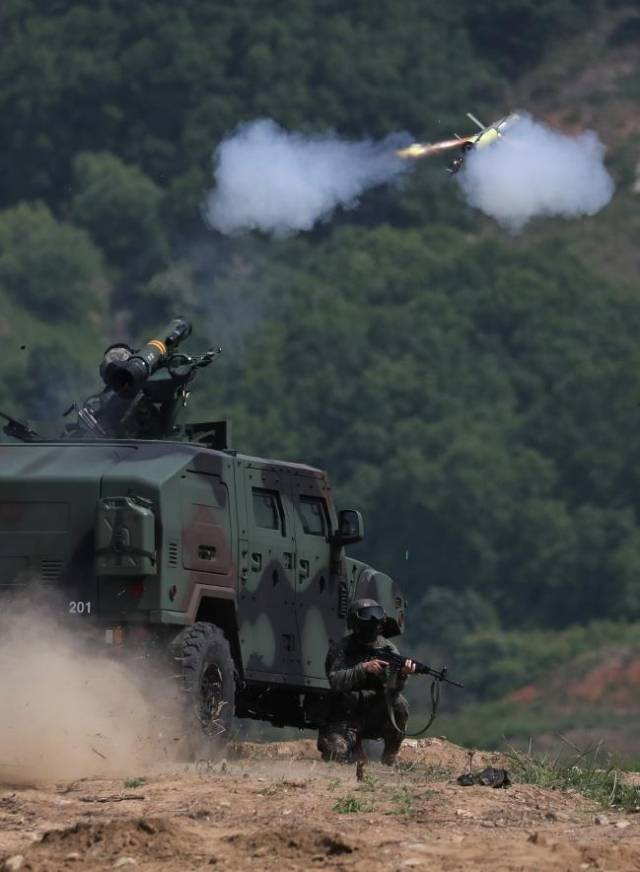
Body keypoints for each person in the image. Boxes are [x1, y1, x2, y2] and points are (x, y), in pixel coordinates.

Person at [317, 598, 415, 765]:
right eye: (367, 617)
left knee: (400, 704)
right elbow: (336, 681)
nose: (373, 622)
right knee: (337, 754)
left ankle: (390, 756)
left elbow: (392, 689)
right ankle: (351, 748)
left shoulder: (388, 649)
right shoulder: (342, 648)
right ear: (355, 623)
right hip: (342, 716)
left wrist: (401, 675)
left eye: (376, 617)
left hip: (372, 713)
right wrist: (363, 669)